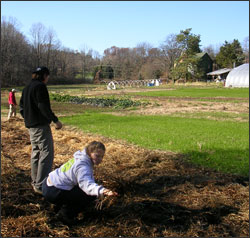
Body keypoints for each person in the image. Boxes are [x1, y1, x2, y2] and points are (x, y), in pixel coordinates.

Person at [42, 141, 118, 225]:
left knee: (80, 190)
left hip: (48, 184)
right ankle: (65, 214)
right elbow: (87, 186)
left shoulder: (80, 157)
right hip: (53, 191)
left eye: (102, 156)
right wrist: (102, 190)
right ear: (89, 152)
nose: (100, 159)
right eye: (97, 156)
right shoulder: (83, 166)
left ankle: (59, 205)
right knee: (90, 195)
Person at [19, 66, 63, 195]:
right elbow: (43, 106)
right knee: (46, 153)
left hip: (31, 125)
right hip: (40, 126)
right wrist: (55, 120)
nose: (48, 79)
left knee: (36, 152)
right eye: (47, 76)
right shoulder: (40, 87)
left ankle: (35, 182)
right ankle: (41, 184)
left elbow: (22, 107)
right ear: (44, 75)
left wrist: (28, 118)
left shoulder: (27, 88)